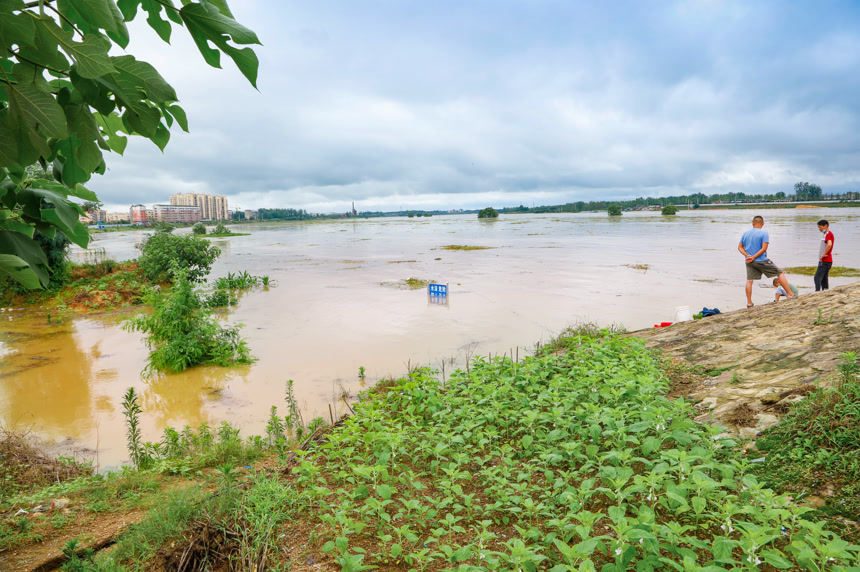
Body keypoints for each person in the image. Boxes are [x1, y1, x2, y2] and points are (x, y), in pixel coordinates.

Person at [737, 215, 793, 307]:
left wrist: (747, 255)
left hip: (749, 261)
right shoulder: (764, 233)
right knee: (780, 273)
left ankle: (749, 303)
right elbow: (764, 249)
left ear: (753, 223)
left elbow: (740, 247)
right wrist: (754, 257)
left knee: (749, 280)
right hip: (761, 260)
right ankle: (790, 294)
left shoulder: (745, 233)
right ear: (763, 223)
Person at [814, 219, 834, 292]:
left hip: (825, 260)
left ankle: (817, 292)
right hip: (826, 260)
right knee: (824, 279)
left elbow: (829, 244)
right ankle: (825, 292)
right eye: (818, 227)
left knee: (817, 277)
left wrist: (823, 254)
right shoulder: (825, 234)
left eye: (820, 227)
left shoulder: (828, 234)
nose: (819, 229)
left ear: (825, 226)